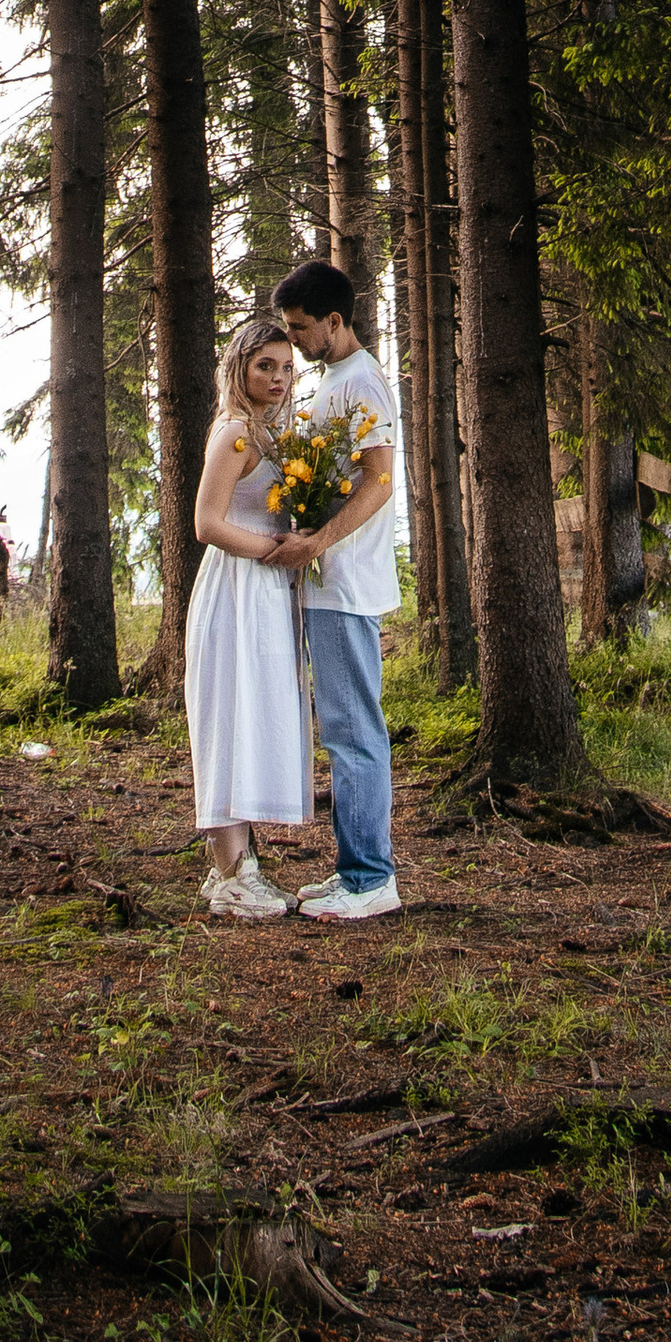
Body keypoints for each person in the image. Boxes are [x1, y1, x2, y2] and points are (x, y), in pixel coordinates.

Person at [271, 259, 403, 922]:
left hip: (347, 583)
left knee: (355, 733)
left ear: (334, 321)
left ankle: (371, 879)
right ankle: (353, 868)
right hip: (325, 583)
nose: (292, 340)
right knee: (343, 730)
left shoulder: (364, 384)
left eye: (300, 329)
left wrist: (319, 542)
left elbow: (380, 483)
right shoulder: (333, 379)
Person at [183, 314, 313, 919]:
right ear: (240, 369)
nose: (279, 377)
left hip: (266, 588)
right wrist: (273, 550)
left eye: (287, 366)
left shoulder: (272, 434)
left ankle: (236, 867)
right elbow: (207, 524)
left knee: (253, 715)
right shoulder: (234, 432)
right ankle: (232, 875)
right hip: (235, 585)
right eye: (266, 365)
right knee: (229, 716)